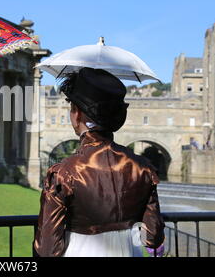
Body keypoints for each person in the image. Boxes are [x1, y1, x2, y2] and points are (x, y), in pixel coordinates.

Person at [34, 68, 165, 257]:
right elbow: (153, 236)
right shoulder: (143, 168)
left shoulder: (64, 173)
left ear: (77, 114)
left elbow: (47, 249)